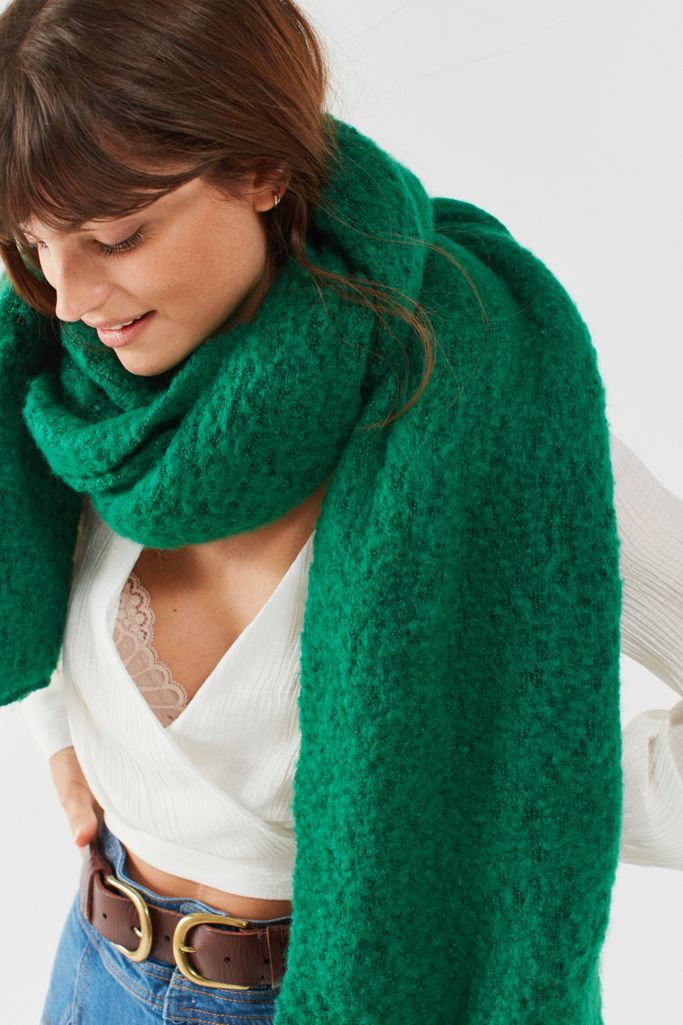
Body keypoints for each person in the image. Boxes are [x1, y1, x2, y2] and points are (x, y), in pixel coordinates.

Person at [0, 2, 678, 1024]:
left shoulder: (475, 403)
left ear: (262, 170)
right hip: (95, 971)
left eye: (117, 235)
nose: (67, 294)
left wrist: (523, 792)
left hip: (322, 994)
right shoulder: (72, 390)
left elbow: (528, 756)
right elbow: (22, 559)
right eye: (32, 242)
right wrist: (58, 730)